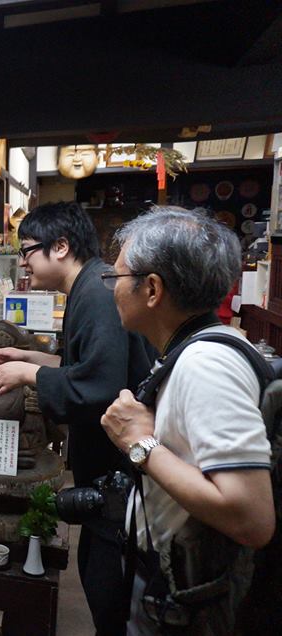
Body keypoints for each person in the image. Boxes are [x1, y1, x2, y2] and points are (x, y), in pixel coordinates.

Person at [0, 201, 155, 635]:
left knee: (110, 592)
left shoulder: (97, 292)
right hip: (107, 475)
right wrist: (27, 356)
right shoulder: (87, 287)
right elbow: (82, 367)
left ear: (60, 247)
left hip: (120, 476)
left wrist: (29, 375)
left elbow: (102, 386)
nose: (22, 262)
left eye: (27, 250)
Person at [100, 207, 274, 634]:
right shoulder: (201, 347)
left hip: (190, 599)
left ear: (152, 289)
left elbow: (251, 518)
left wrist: (139, 443)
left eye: (116, 277)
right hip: (178, 581)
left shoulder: (204, 364)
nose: (112, 289)